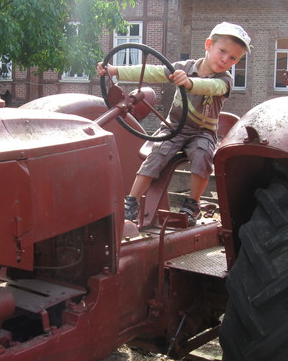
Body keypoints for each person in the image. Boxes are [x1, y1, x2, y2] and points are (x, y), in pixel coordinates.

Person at [97, 22, 251, 225]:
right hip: (174, 128)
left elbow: (211, 87)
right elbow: (152, 72)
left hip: (202, 132)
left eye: (233, 58)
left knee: (202, 154)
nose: (225, 59)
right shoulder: (183, 68)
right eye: (222, 51)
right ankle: (131, 201)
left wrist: (189, 83)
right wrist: (115, 70)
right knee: (157, 155)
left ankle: (192, 204)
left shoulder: (225, 80)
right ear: (208, 45)